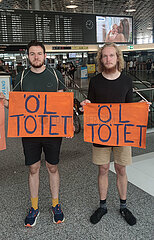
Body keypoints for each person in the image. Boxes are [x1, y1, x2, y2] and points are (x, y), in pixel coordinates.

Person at [0, 40, 65, 227]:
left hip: (52, 131)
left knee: (52, 167)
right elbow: (16, 105)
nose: (36, 57)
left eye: (39, 53)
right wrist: (3, 101)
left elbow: (62, 104)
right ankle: (34, 207)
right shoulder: (22, 77)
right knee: (33, 168)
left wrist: (66, 125)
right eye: (32, 54)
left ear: (45, 56)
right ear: (28, 57)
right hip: (29, 132)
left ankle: (55, 204)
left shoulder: (55, 74)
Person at [81, 43, 137, 226]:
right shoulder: (95, 81)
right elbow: (92, 105)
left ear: (118, 58)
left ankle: (123, 205)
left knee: (121, 169)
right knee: (103, 169)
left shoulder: (127, 81)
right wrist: (87, 105)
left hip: (122, 134)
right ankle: (103, 206)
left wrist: (141, 111)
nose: (108, 59)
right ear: (100, 59)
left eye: (111, 55)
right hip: (101, 134)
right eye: (104, 56)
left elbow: (129, 109)